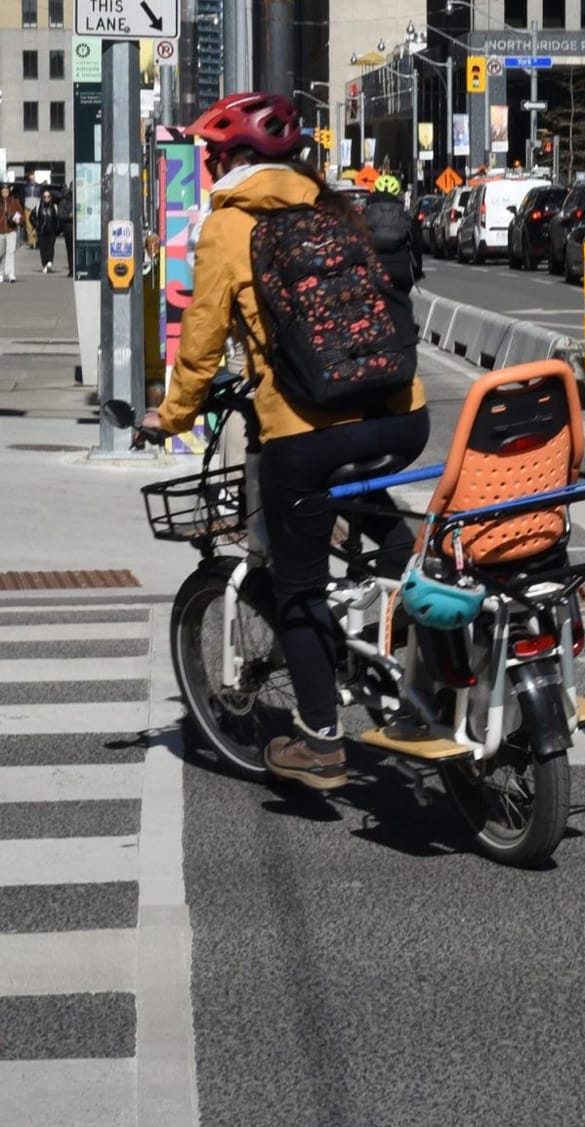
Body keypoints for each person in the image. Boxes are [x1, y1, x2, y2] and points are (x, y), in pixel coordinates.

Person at [144, 92, 431, 791]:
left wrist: (173, 415)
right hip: (401, 414)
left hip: (307, 430)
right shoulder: (336, 208)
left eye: (213, 156)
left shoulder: (230, 225)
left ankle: (320, 740)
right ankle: (420, 654)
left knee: (296, 584)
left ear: (233, 159)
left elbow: (204, 338)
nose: (210, 168)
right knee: (379, 525)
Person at [362, 172, 423, 294]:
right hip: (401, 271)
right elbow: (416, 246)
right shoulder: (406, 217)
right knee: (403, 305)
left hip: (372, 269)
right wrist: (417, 272)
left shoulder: (363, 216)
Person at [34, 187, 66, 274]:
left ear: (51, 197)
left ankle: (50, 262)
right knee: (43, 249)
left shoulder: (55, 207)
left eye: (48, 196)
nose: (46, 198)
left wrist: (58, 230)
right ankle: (44, 264)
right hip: (41, 231)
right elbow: (32, 218)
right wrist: (36, 226)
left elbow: (59, 219)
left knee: (50, 247)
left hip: (52, 231)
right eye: (44, 197)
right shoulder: (38, 206)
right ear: (42, 197)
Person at [0, 188, 24, 282]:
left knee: (10, 251)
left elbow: (22, 216)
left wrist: (18, 219)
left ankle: (10, 273)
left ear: (9, 192)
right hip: (0, 231)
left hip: (11, 230)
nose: (5, 194)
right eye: (3, 192)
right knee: (1, 252)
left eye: (6, 192)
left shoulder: (14, 202)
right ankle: (0, 272)